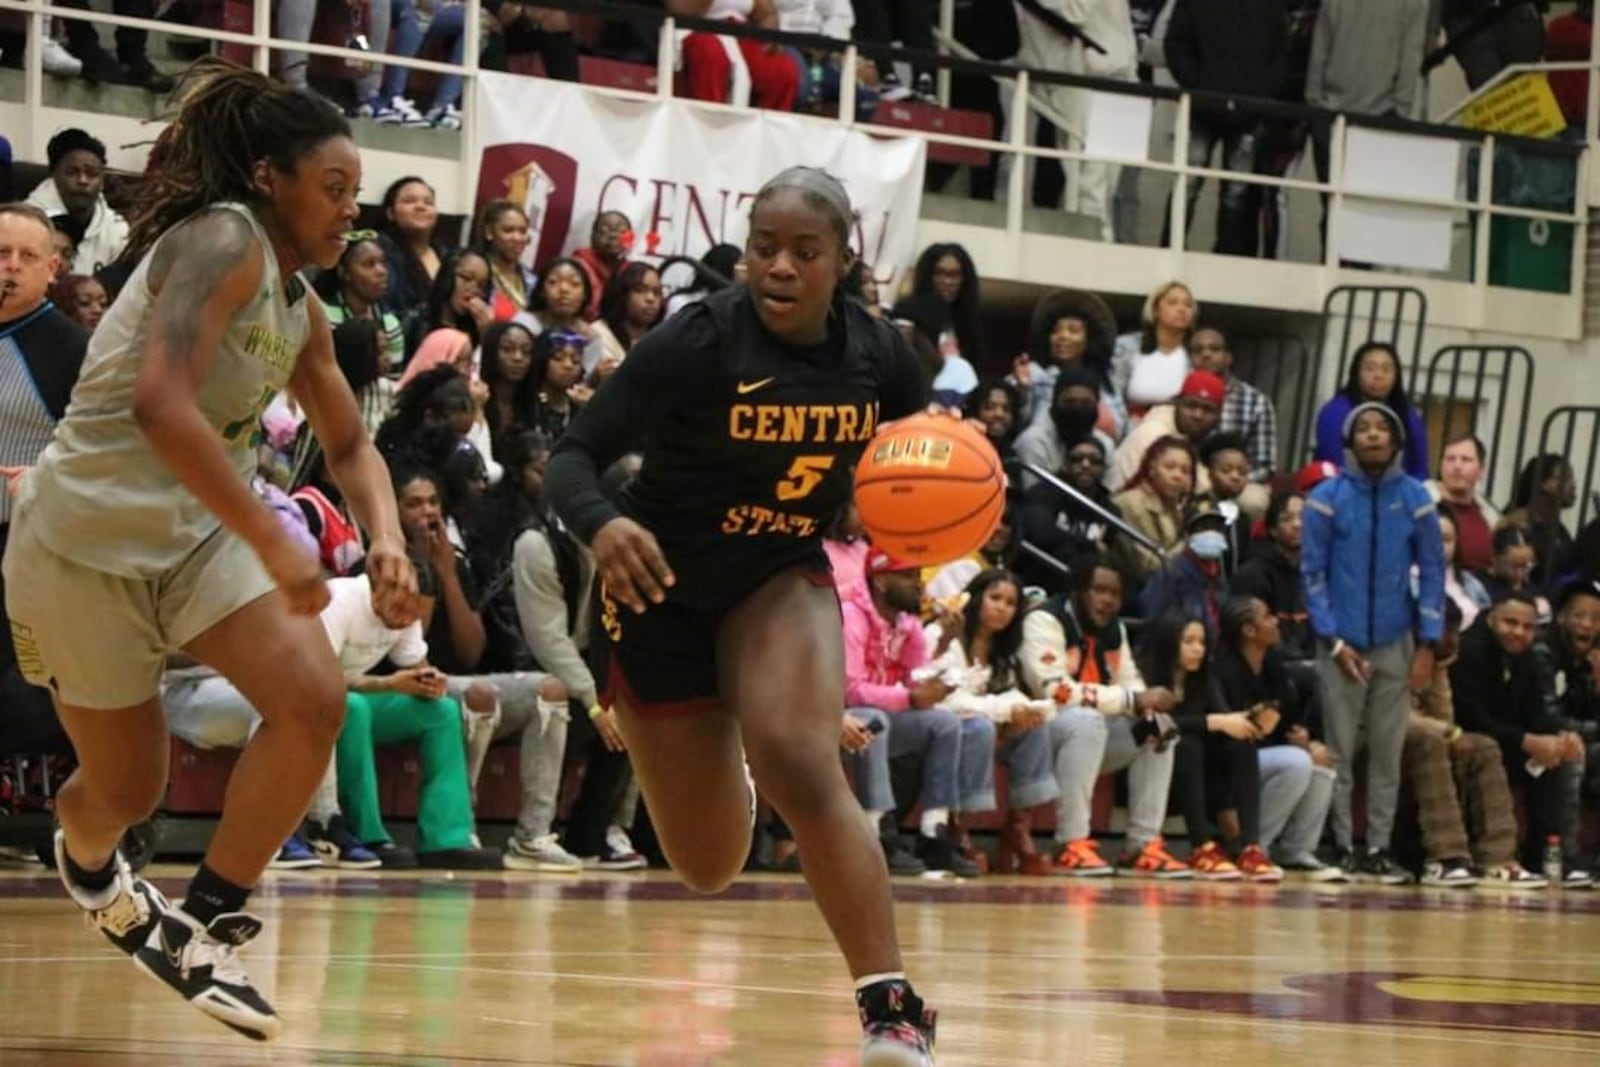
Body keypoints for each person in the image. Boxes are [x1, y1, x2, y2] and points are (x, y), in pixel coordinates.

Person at [2, 61, 418, 1040]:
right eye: (335, 189)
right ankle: (90, 859)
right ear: (270, 177)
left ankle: (208, 916)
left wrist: (387, 538)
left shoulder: (299, 305)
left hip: (191, 539)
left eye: (357, 196)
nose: (348, 214)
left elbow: (351, 440)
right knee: (124, 790)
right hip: (79, 542)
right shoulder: (220, 240)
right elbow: (160, 403)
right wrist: (274, 547)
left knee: (313, 696)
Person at [544, 167, 937, 1063]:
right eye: (765, 248)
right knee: (708, 865)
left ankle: (893, 1008)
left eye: (805, 252)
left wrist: (922, 504)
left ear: (844, 259)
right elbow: (574, 454)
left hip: (776, 574)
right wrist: (603, 525)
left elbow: (921, 455)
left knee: (805, 761)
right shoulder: (696, 341)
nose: (781, 267)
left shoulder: (885, 356)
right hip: (658, 591)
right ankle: (741, 730)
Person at [1302, 401, 1444, 883]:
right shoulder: (1326, 498)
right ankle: (1342, 846)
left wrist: (1426, 643)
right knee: (1340, 747)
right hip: (1340, 644)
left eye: (1382, 428)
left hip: (1395, 641)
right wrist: (1334, 641)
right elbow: (1312, 574)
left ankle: (1379, 847)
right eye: (1363, 428)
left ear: (1397, 440)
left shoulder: (1417, 499)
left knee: (1388, 750)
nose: (1373, 435)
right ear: (1349, 440)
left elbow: (1432, 571)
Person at [1020, 556, 1189, 878]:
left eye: (1114, 593)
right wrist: (1133, 699)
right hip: (1037, 731)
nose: (1107, 600)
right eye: (1099, 590)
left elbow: (1130, 682)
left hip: (1089, 736)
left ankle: (1142, 846)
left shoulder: (1115, 629)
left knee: (1158, 727)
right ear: (1078, 592)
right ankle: (1070, 843)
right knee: (1086, 721)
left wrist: (1148, 706)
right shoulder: (1044, 620)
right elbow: (1055, 692)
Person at [1452, 593, 1594, 886]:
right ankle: (1496, 856)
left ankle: (1551, 857)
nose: (1518, 632)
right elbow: (1472, 718)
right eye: (1510, 623)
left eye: (1527, 627)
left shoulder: (1528, 657)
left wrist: (1562, 738)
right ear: (1492, 619)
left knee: (1561, 759)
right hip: (1471, 741)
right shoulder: (1470, 650)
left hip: (1511, 744)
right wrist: (1529, 741)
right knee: (1496, 749)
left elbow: (1539, 714)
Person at [1403, 598, 1546, 888]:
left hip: (1423, 734)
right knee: (1432, 741)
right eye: (1446, 632)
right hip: (1373, 737)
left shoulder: (1441, 658)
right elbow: (1393, 716)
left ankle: (1497, 859)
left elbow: (1444, 714)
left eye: (1455, 632)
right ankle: (1445, 858)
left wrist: (1440, 669)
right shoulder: (1394, 654)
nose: (1453, 640)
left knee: (1483, 746)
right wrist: (1449, 732)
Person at [1312, 341, 1430, 481]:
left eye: (1386, 369)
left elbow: (1420, 468)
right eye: (1370, 368)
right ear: (1357, 373)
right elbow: (1334, 463)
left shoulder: (1408, 415)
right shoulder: (1335, 413)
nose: (1378, 375)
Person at [24, 128, 129, 276]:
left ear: (102, 179)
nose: (82, 180)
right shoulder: (24, 222)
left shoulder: (116, 230)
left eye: (92, 174)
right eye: (72, 172)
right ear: (54, 174)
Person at [1188, 327, 1277, 484]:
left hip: (1239, 483)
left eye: (1214, 349)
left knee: (1254, 502)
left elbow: (1265, 465)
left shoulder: (1256, 401)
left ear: (1228, 358)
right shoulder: (1179, 397)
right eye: (1198, 350)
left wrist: (1232, 481)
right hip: (1188, 480)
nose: (1205, 355)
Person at [1427, 434, 1499, 574]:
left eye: (1466, 460)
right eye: (1450, 459)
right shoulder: (1419, 503)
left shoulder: (1489, 516)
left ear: (1481, 469)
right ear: (1441, 465)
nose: (1457, 466)